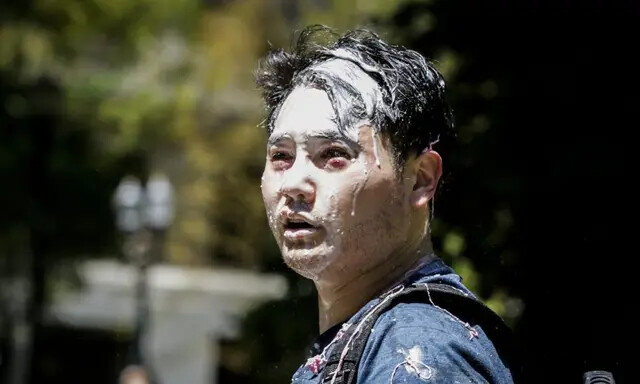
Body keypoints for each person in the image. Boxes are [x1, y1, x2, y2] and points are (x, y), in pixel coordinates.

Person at [256, 25, 516, 384]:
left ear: (421, 178)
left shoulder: (416, 354)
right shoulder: (375, 340)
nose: (294, 184)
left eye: (333, 154)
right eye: (281, 156)